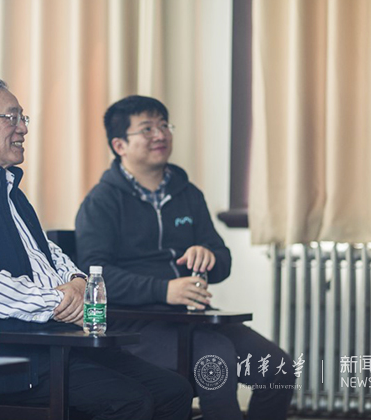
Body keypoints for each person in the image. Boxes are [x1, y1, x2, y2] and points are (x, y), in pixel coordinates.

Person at [0, 78, 192, 420]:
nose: (23, 128)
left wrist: (76, 281)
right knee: (129, 402)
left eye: (23, 118)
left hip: (46, 344)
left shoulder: (8, 190)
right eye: (11, 117)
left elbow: (47, 253)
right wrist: (59, 303)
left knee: (174, 391)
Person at [75, 95, 295, 420]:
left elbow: (223, 260)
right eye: (147, 129)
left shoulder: (188, 194)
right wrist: (164, 290)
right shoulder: (101, 201)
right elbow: (96, 272)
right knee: (216, 360)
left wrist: (209, 256)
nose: (160, 134)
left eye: (164, 125)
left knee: (278, 368)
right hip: (137, 325)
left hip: (194, 319)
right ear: (120, 145)